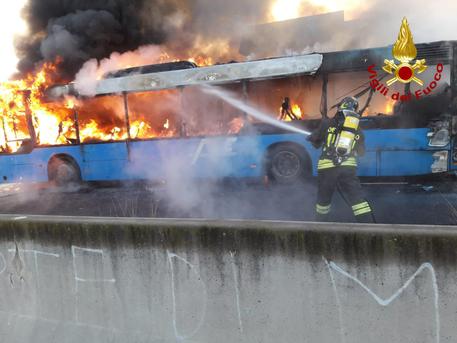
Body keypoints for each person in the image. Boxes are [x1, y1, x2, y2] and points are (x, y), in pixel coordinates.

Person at [307, 96, 375, 223]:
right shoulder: (356, 129)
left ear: (341, 106)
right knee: (357, 200)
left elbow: (316, 143)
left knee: (323, 202)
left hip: (326, 168)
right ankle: (369, 227)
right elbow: (361, 153)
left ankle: (320, 227)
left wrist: (311, 137)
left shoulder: (326, 123)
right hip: (347, 169)